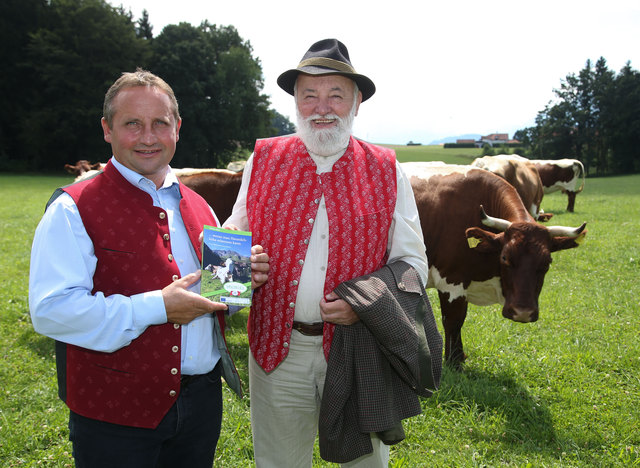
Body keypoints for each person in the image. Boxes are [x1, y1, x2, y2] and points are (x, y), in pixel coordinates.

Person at [29, 68, 269, 468]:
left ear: (177, 127)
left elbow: (214, 300)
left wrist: (242, 283)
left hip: (201, 405)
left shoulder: (200, 206)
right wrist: (158, 306)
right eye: (132, 124)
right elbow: (51, 311)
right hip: (114, 414)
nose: (148, 137)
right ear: (107, 129)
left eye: (160, 123)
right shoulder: (72, 208)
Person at [224, 39, 431, 467]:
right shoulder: (261, 159)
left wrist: (366, 304)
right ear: (295, 103)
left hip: (359, 350)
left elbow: (413, 266)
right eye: (309, 96)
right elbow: (226, 248)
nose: (322, 107)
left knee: (366, 464)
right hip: (276, 352)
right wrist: (246, 269)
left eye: (336, 95)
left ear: (357, 102)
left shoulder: (387, 169)